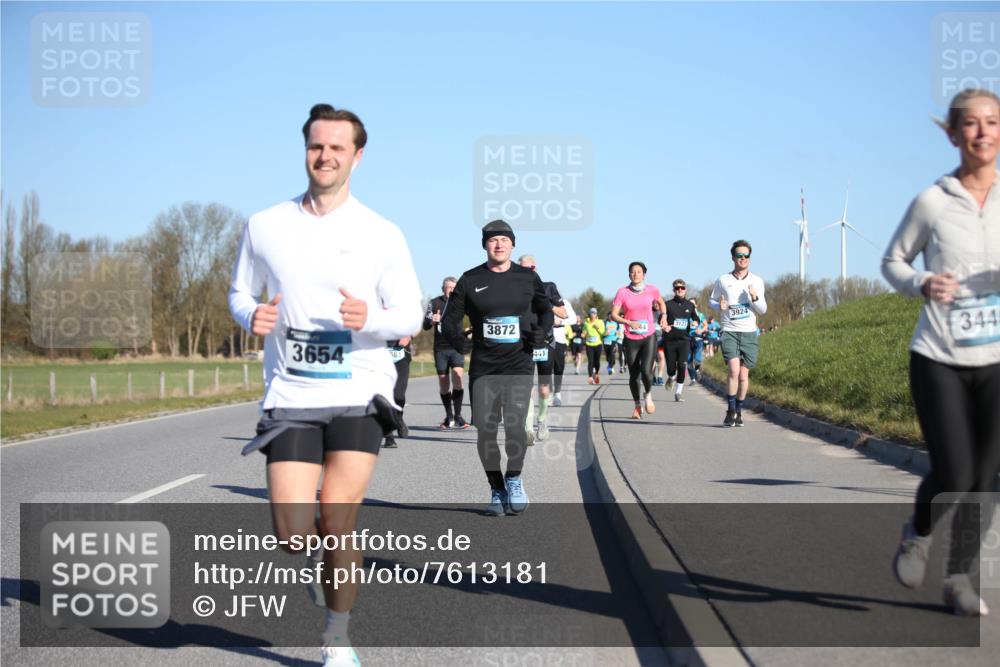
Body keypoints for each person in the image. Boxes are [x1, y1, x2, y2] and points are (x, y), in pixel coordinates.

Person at [228, 104, 423, 667]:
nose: (326, 156)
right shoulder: (265, 224)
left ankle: (337, 635)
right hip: (291, 395)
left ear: (357, 157)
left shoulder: (381, 233)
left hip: (358, 391)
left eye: (338, 148)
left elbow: (409, 313)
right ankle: (324, 569)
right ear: (305, 150)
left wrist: (372, 320)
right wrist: (250, 317)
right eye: (317, 146)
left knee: (337, 521)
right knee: (293, 535)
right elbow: (240, 292)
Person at [883, 88, 1000, 617]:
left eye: (992, 122)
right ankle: (918, 534)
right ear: (953, 135)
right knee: (955, 473)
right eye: (971, 124)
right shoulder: (933, 201)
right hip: (939, 356)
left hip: (996, 360)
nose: (983, 133)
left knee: (984, 479)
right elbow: (893, 261)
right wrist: (924, 281)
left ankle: (958, 579)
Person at [442, 220, 553, 516]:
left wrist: (542, 332)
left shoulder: (528, 278)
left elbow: (545, 310)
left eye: (505, 240)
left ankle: (514, 479)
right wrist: (457, 341)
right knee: (486, 432)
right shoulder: (469, 279)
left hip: (518, 362)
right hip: (484, 366)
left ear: (512, 245)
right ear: (485, 245)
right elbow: (449, 320)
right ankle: (496, 488)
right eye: (493, 240)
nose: (499, 244)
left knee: (516, 427)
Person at [710, 240, 766, 428]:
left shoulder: (756, 281)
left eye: (746, 256)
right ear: (733, 257)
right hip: (730, 330)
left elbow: (763, 309)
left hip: (749, 332)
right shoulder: (723, 280)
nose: (743, 259)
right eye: (739, 255)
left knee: (743, 375)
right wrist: (720, 306)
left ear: (750, 258)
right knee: (733, 370)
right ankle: (730, 410)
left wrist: (754, 297)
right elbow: (712, 300)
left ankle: (740, 410)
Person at [518, 254, 569, 442]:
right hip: (524, 344)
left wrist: (546, 304)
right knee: (526, 386)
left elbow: (563, 313)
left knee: (544, 388)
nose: (526, 273)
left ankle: (542, 419)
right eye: (521, 269)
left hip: (546, 342)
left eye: (529, 269)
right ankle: (528, 426)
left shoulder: (548, 286)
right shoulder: (514, 288)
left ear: (535, 268)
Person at [611, 261, 668, 419]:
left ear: (644, 274)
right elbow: (613, 315)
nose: (635, 274)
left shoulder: (652, 290)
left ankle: (648, 395)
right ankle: (637, 405)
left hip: (648, 335)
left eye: (639, 271)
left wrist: (664, 315)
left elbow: (662, 303)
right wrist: (628, 322)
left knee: (646, 372)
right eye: (632, 272)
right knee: (634, 375)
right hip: (630, 337)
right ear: (629, 274)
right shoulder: (622, 292)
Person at [423, 277, 468, 429]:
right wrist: (432, 321)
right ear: (443, 289)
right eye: (448, 287)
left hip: (456, 347)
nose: (451, 290)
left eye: (453, 287)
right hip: (441, 348)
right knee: (444, 383)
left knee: (458, 377)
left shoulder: (461, 303)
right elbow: (425, 325)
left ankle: (458, 415)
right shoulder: (434, 303)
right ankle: (449, 416)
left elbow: (475, 316)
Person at [662, 279, 700, 402]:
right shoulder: (667, 304)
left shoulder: (690, 305)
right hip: (670, 341)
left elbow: (696, 318)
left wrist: (695, 322)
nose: (680, 290)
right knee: (671, 368)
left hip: (684, 340)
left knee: (682, 365)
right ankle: (671, 376)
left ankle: (678, 392)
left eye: (682, 288)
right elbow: (661, 320)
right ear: (673, 290)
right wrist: (665, 326)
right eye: (677, 288)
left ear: (685, 290)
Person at [382, 335, 413, 448]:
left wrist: (408, 336)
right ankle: (389, 436)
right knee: (383, 396)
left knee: (398, 396)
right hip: (379, 353)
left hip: (400, 353)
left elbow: (417, 323)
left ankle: (398, 417)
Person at [686, 297, 708, 383]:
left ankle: (697, 370)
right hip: (687, 338)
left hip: (698, 338)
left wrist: (701, 330)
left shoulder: (700, 315)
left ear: (696, 305)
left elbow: (706, 325)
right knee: (688, 360)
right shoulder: (685, 315)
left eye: (693, 304)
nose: (691, 305)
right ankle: (693, 378)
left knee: (697, 359)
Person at [582, 307, 605, 384]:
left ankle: (596, 373)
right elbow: (584, 332)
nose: (593, 314)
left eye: (594, 313)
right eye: (592, 313)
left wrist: (597, 328)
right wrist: (583, 334)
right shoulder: (586, 323)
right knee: (590, 361)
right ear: (589, 314)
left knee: (597, 361)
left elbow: (603, 333)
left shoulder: (600, 322)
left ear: (596, 314)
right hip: (589, 344)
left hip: (598, 344)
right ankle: (590, 377)